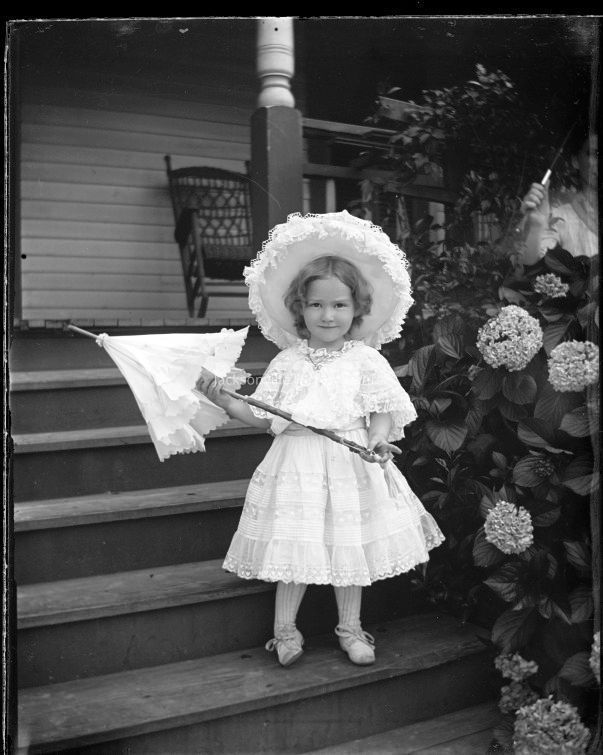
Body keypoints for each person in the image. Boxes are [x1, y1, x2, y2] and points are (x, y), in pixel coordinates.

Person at [196, 211, 444, 668]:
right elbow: (262, 416)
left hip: (350, 462)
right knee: (297, 542)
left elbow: (381, 410)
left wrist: (377, 440)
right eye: (316, 305)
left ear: (357, 309)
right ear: (300, 308)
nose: (327, 315)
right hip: (297, 464)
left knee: (349, 543)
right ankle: (284, 631)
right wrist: (226, 401)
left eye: (339, 305)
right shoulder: (287, 362)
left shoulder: (365, 360)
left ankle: (350, 627)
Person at [520, 131, 598, 265]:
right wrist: (536, 227)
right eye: (595, 154)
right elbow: (532, 262)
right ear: (575, 161)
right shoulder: (562, 217)